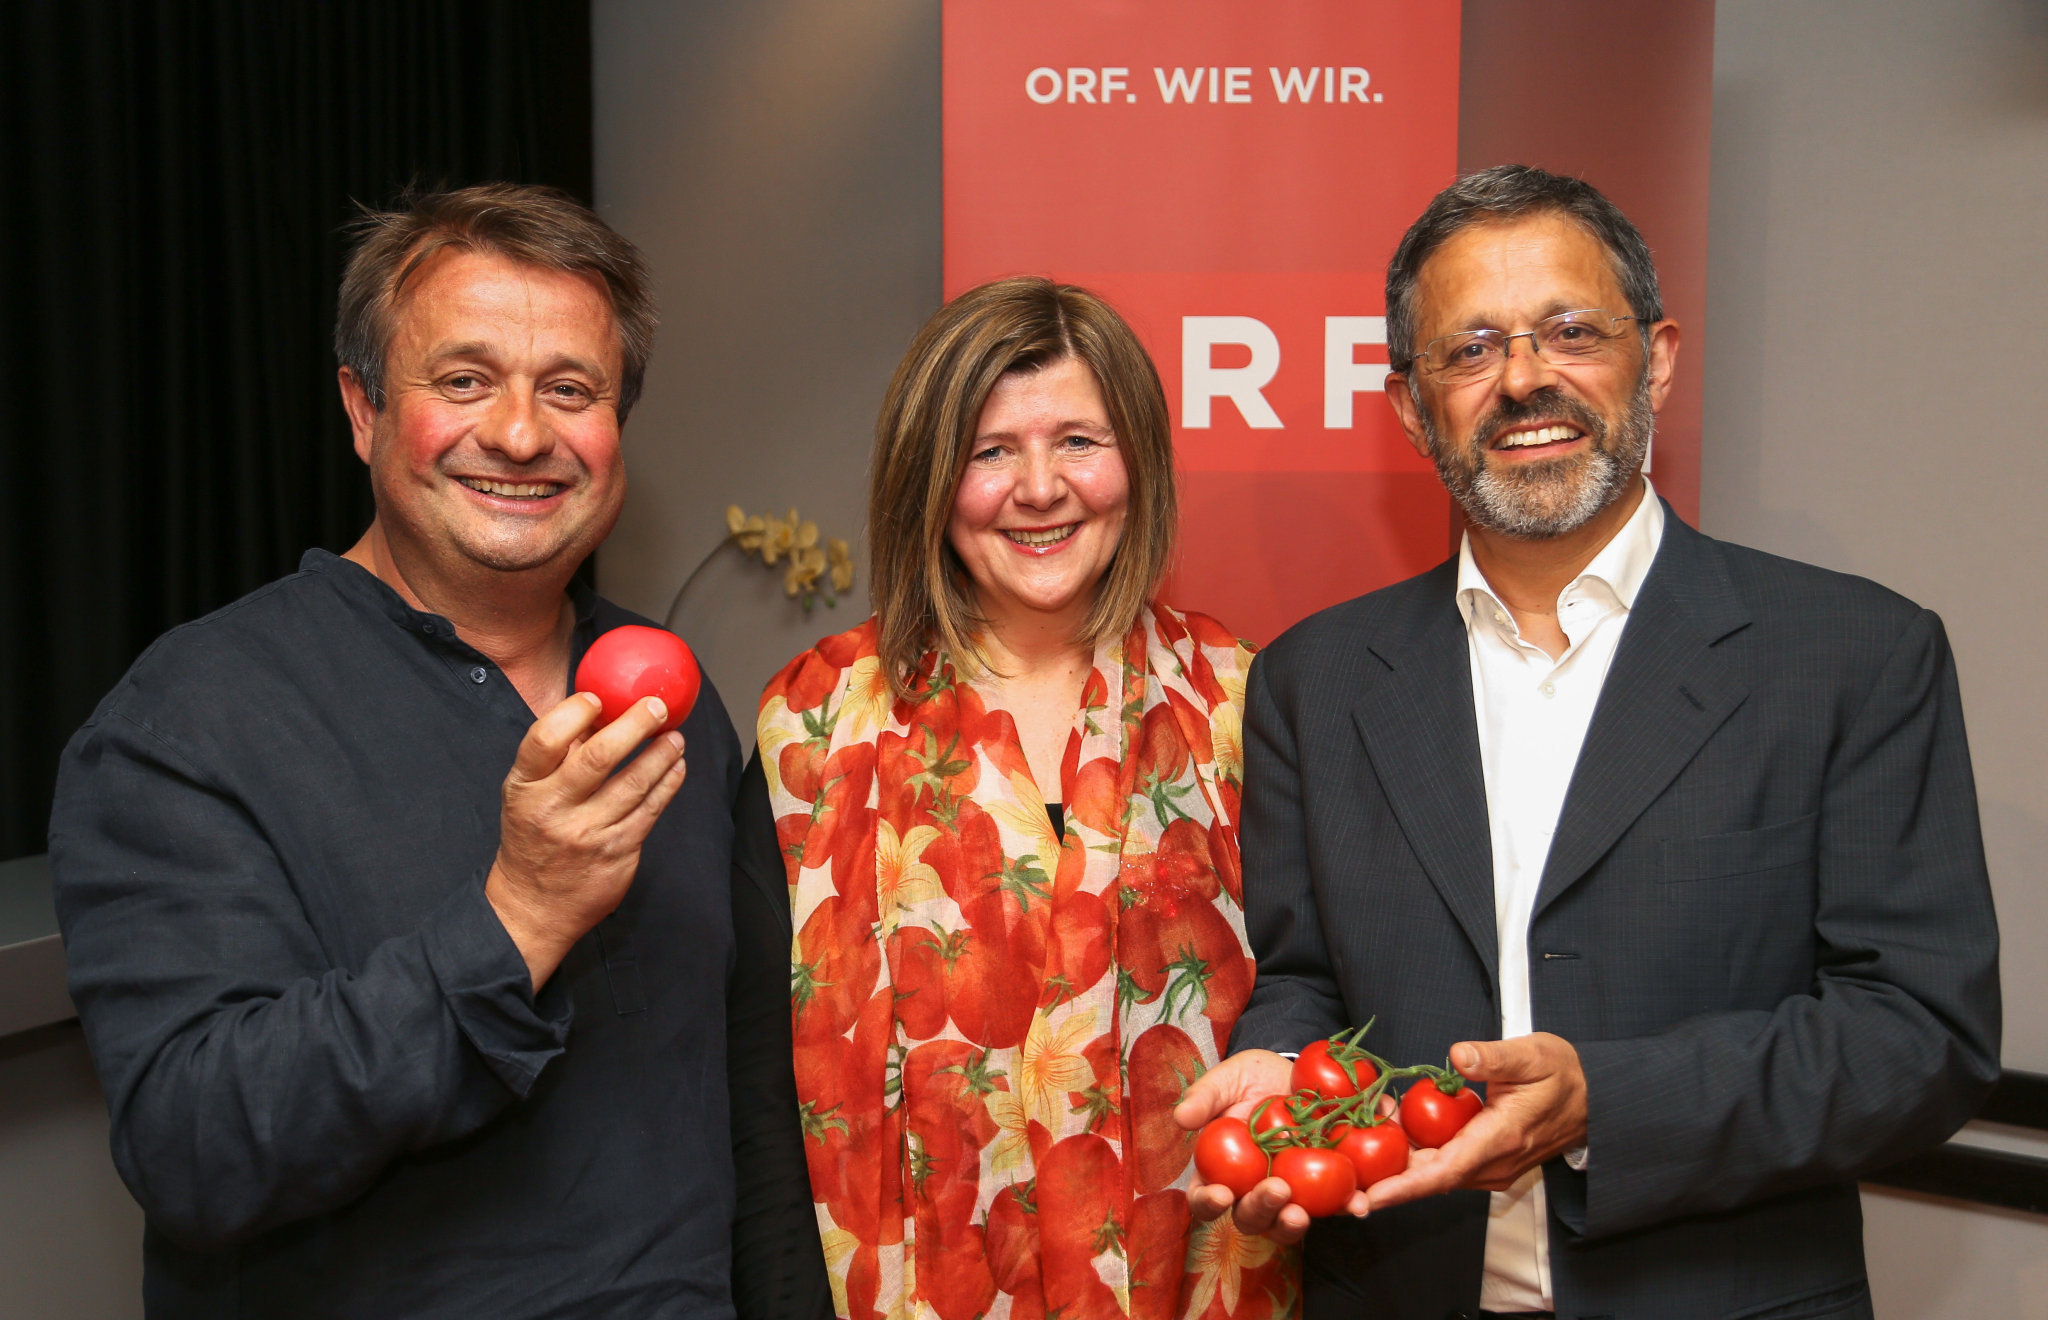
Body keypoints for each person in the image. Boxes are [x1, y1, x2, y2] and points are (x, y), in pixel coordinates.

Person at [1175, 165, 2000, 1320]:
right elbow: (1306, 979)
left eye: (1569, 332)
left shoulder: (1851, 656)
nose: (1522, 379)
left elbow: (1918, 1036)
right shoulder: (1315, 678)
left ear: (1653, 358)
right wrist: (1280, 1075)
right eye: (1469, 350)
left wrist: (1604, 1101)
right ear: (1409, 405)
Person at [49, 184, 744, 1318]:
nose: (520, 434)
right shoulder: (187, 722)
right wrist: (518, 919)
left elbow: (744, 1088)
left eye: (570, 390)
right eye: (464, 380)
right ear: (362, 410)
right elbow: (195, 1151)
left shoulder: (670, 699)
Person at [727, 277, 1293, 1320]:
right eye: (990, 452)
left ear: (1138, 461)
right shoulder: (813, 720)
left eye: (1078, 441)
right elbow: (762, 1085)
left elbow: (1315, 1003)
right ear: (929, 481)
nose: (1039, 488)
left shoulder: (1243, 702)